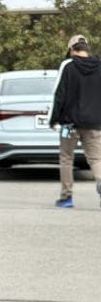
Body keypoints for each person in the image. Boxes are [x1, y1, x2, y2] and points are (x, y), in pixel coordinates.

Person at [49, 34, 101, 208]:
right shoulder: (99, 65)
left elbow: (59, 94)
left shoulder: (68, 66)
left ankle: (66, 197)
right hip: (95, 121)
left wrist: (53, 119)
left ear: (71, 50)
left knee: (66, 159)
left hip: (69, 123)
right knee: (96, 159)